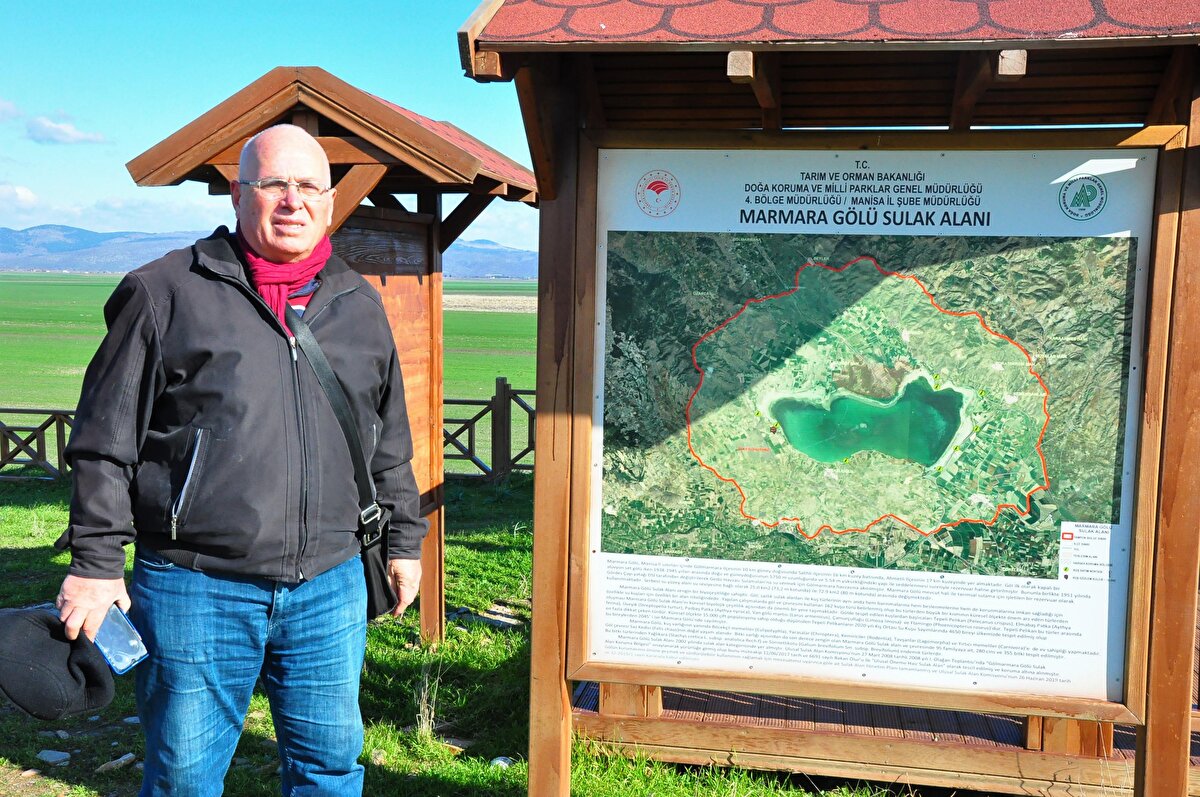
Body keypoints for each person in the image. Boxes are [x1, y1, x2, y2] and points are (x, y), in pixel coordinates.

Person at [53, 123, 428, 796]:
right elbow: (103, 440)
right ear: (236, 194)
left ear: (330, 201)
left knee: (329, 768)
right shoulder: (164, 292)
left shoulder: (358, 304)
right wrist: (95, 562)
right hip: (197, 583)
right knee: (186, 776)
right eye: (273, 184)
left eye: (309, 185)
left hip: (329, 583)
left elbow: (388, 438)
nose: (293, 200)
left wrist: (404, 540)